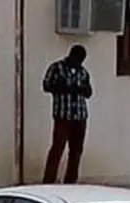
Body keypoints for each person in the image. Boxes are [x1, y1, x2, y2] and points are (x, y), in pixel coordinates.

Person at [42, 44, 93, 184]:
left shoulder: (83, 72)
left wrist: (81, 88)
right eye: (77, 59)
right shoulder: (56, 68)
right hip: (63, 116)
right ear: (71, 56)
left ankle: (71, 181)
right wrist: (64, 87)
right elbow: (46, 85)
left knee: (76, 151)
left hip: (80, 116)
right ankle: (48, 180)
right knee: (57, 148)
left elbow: (89, 92)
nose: (79, 63)